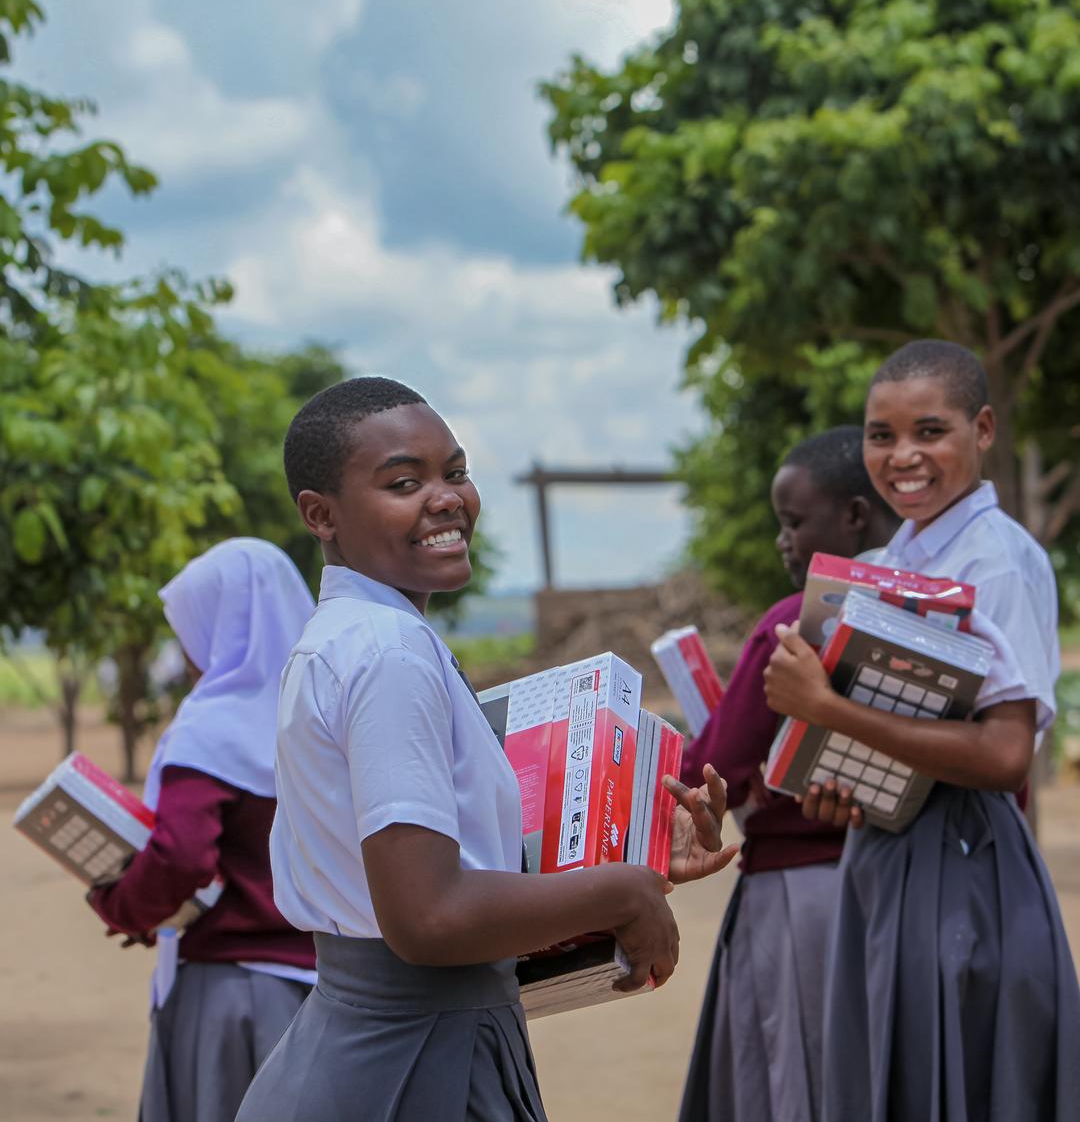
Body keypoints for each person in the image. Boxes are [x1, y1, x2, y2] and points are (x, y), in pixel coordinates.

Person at [233, 377, 739, 1122]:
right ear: (321, 514)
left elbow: (447, 870)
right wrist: (621, 893)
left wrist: (637, 860)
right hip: (408, 1063)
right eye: (404, 482)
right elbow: (428, 915)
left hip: (377, 1047)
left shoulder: (352, 637)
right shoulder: (388, 650)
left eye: (456, 472)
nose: (446, 498)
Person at [765, 340, 1080, 1121]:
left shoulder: (996, 560)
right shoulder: (892, 556)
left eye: (930, 431)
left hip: (965, 865)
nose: (903, 456)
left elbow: (1007, 751)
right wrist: (844, 780)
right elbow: (902, 724)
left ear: (982, 429)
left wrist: (827, 710)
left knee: (962, 1084)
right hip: (888, 850)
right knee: (893, 1083)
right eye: (882, 434)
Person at [678, 425, 898, 1122]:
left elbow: (716, 761)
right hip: (896, 890)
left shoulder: (791, 622)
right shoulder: (923, 612)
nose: (783, 541)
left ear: (854, 516)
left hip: (799, 895)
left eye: (793, 522)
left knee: (800, 1075)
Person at [87, 538, 318, 1122]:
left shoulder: (213, 727)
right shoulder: (322, 715)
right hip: (330, 993)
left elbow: (182, 858)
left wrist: (123, 906)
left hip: (233, 997)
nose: (190, 654)